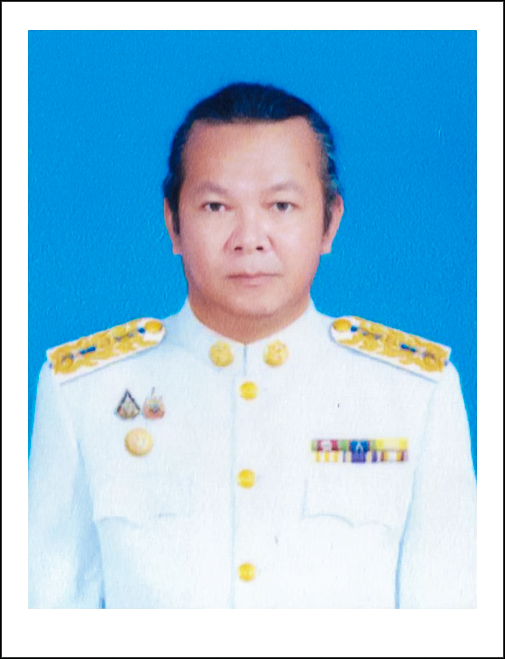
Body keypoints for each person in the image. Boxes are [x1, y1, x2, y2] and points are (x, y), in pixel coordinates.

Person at [28, 82, 476, 609]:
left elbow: (450, 622)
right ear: (173, 223)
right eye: (216, 206)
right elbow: (44, 617)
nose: (250, 238)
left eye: (281, 205)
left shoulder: (415, 395)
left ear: (329, 222)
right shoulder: (82, 392)